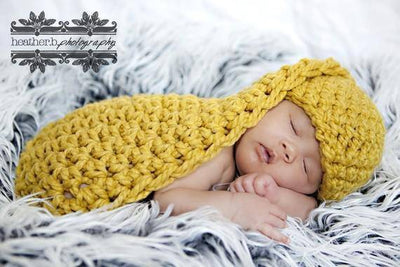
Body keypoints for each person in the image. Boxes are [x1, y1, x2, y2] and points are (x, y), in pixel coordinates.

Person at [14, 58, 385, 246]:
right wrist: (235, 207)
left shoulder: (254, 173)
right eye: (293, 126)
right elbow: (167, 199)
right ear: (268, 102)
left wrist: (272, 193)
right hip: (72, 162)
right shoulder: (214, 146)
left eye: (306, 167)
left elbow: (309, 211)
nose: (290, 150)